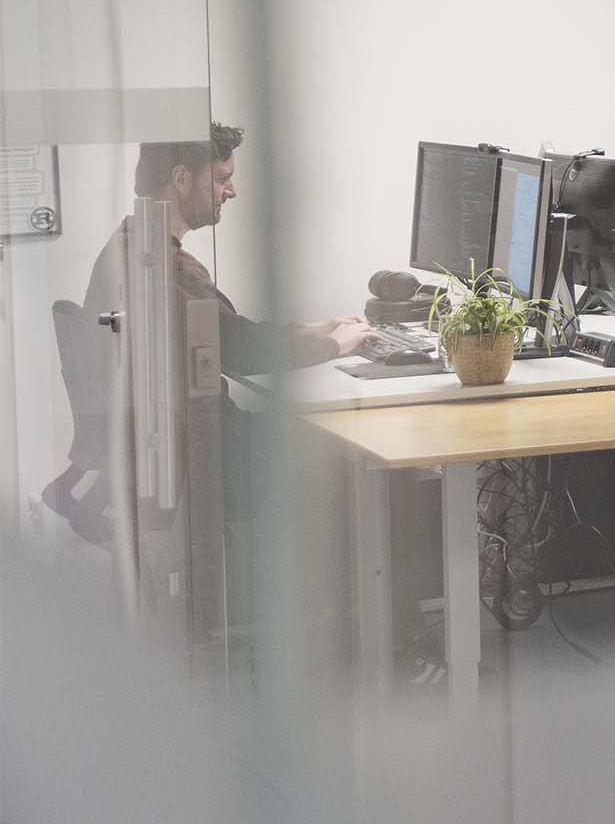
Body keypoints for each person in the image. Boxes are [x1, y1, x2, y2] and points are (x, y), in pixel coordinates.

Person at [50, 123, 377, 539]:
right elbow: (239, 350)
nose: (231, 191)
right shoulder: (166, 266)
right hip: (202, 454)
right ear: (181, 177)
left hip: (174, 447)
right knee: (346, 454)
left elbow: (225, 332)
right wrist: (334, 345)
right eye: (222, 178)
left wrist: (314, 329)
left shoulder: (130, 244)